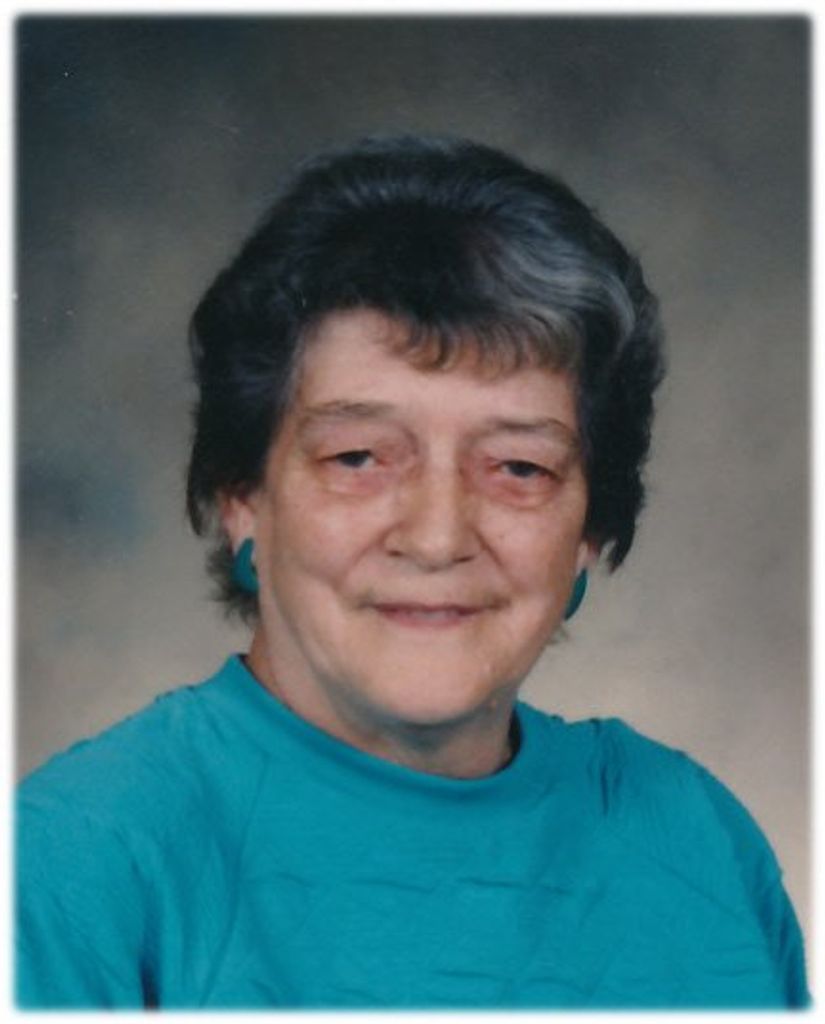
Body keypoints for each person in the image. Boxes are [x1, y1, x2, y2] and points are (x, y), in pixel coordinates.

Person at [16, 135, 809, 1010]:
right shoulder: (72, 864)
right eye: (358, 457)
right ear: (243, 497)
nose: (436, 538)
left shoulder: (693, 837)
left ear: (588, 530)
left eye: (518, 467)